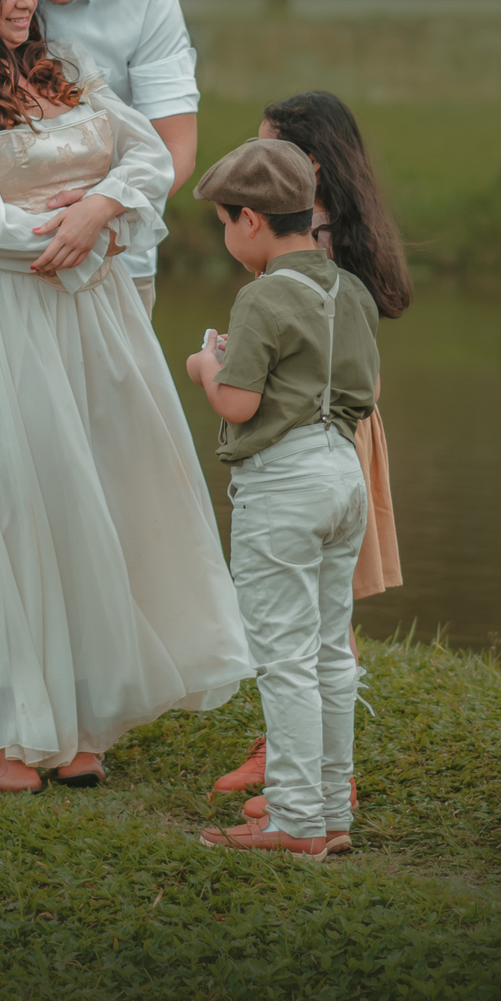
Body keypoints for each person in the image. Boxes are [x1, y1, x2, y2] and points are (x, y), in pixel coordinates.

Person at [0, 0, 251, 791]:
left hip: (94, 310)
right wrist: (82, 229)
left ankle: (78, 715)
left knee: (94, 493)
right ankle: (0, 725)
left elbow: (151, 153)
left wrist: (102, 213)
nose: (23, 3)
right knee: (10, 502)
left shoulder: (66, 69)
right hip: (5, 311)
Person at [185, 138, 380, 859]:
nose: (229, 236)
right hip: (342, 475)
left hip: (284, 485)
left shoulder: (262, 294)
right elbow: (369, 392)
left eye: (225, 223)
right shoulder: (350, 289)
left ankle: (293, 821)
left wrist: (209, 364)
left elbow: (237, 402)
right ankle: (330, 810)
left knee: (285, 657)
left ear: (252, 222)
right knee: (332, 652)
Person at [212, 90, 408, 798]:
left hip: (317, 432)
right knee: (322, 613)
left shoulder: (312, 246)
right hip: (333, 426)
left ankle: (305, 770)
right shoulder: (336, 230)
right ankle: (313, 766)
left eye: (269, 150)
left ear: (309, 165)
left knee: (312, 618)